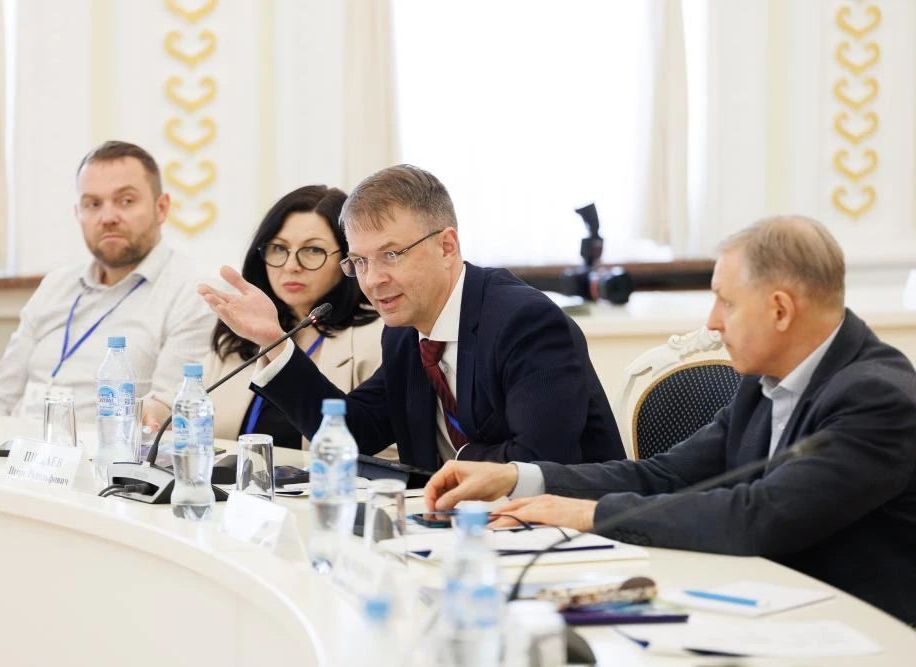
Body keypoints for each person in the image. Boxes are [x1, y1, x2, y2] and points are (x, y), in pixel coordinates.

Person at [424, 216, 916, 625]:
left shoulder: (877, 398)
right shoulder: (764, 382)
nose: (713, 322)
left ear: (781, 310)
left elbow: (759, 518)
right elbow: (666, 474)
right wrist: (519, 478)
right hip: (765, 611)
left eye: (726, 301)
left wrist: (590, 515)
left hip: (861, 633)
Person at [199, 164, 625, 470]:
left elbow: (540, 462)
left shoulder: (524, 322)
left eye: (391, 255)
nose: (373, 280)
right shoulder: (405, 334)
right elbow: (355, 432)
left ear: (446, 247)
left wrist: (453, 465)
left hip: (568, 535)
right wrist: (274, 341)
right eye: (359, 262)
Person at [0, 141, 214, 421]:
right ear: (78, 213)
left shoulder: (193, 292)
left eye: (126, 201)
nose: (108, 217)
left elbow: (169, 411)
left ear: (161, 208)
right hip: (18, 444)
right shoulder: (56, 285)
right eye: (93, 204)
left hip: (105, 446)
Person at [143, 185, 385, 447]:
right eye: (279, 248)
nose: (291, 266)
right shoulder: (241, 335)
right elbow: (187, 408)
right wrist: (151, 411)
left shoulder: (376, 336)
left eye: (313, 250)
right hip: (236, 474)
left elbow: (382, 449)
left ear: (349, 258)